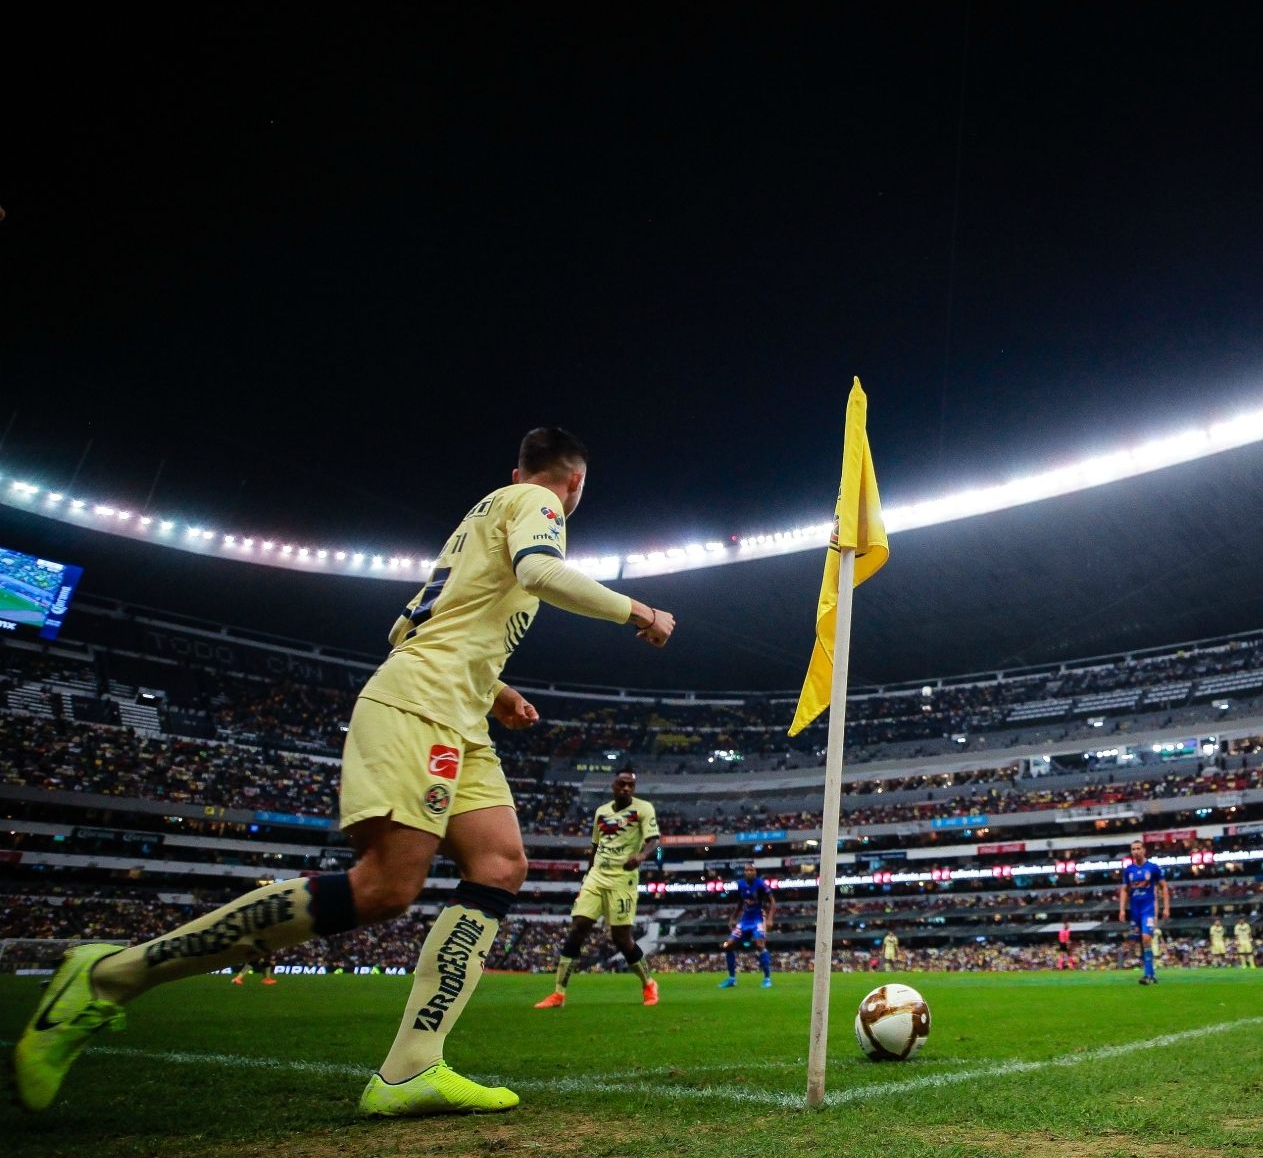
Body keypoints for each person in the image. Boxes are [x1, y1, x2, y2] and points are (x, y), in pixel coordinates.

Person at [13, 427, 675, 1116]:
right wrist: (639, 612)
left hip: (458, 711)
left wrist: (496, 689)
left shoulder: (485, 514)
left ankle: (411, 1066)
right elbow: (540, 573)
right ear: (573, 484)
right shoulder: (536, 504)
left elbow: (405, 626)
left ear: (519, 467)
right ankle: (109, 977)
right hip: (421, 704)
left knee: (500, 864)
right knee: (384, 886)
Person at [534, 769, 660, 1009]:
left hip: (623, 878)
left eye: (630, 785)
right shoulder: (601, 812)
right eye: (622, 784)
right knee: (578, 927)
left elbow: (654, 838)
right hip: (596, 876)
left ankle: (649, 983)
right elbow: (595, 846)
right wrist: (587, 875)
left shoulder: (643, 809)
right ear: (613, 785)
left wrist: (641, 855)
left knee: (621, 938)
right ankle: (558, 993)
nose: (626, 788)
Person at [1117, 839, 1170, 985]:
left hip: (1148, 908)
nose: (1135, 851)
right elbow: (1124, 890)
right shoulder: (1129, 870)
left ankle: (1147, 975)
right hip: (1135, 910)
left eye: (1138, 848)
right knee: (1139, 941)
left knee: (1146, 937)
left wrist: (1166, 907)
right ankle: (1151, 974)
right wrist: (1122, 909)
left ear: (1144, 850)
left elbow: (1164, 886)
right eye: (1133, 849)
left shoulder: (1152, 868)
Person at [720, 862, 776, 988]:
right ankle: (732, 979)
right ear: (744, 872)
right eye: (747, 870)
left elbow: (772, 902)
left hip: (758, 918)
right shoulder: (740, 884)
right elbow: (741, 902)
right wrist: (733, 917)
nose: (749, 872)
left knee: (759, 944)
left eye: (752, 870)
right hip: (745, 919)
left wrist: (770, 918)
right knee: (728, 945)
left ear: (755, 872)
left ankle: (767, 978)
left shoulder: (761, 884)